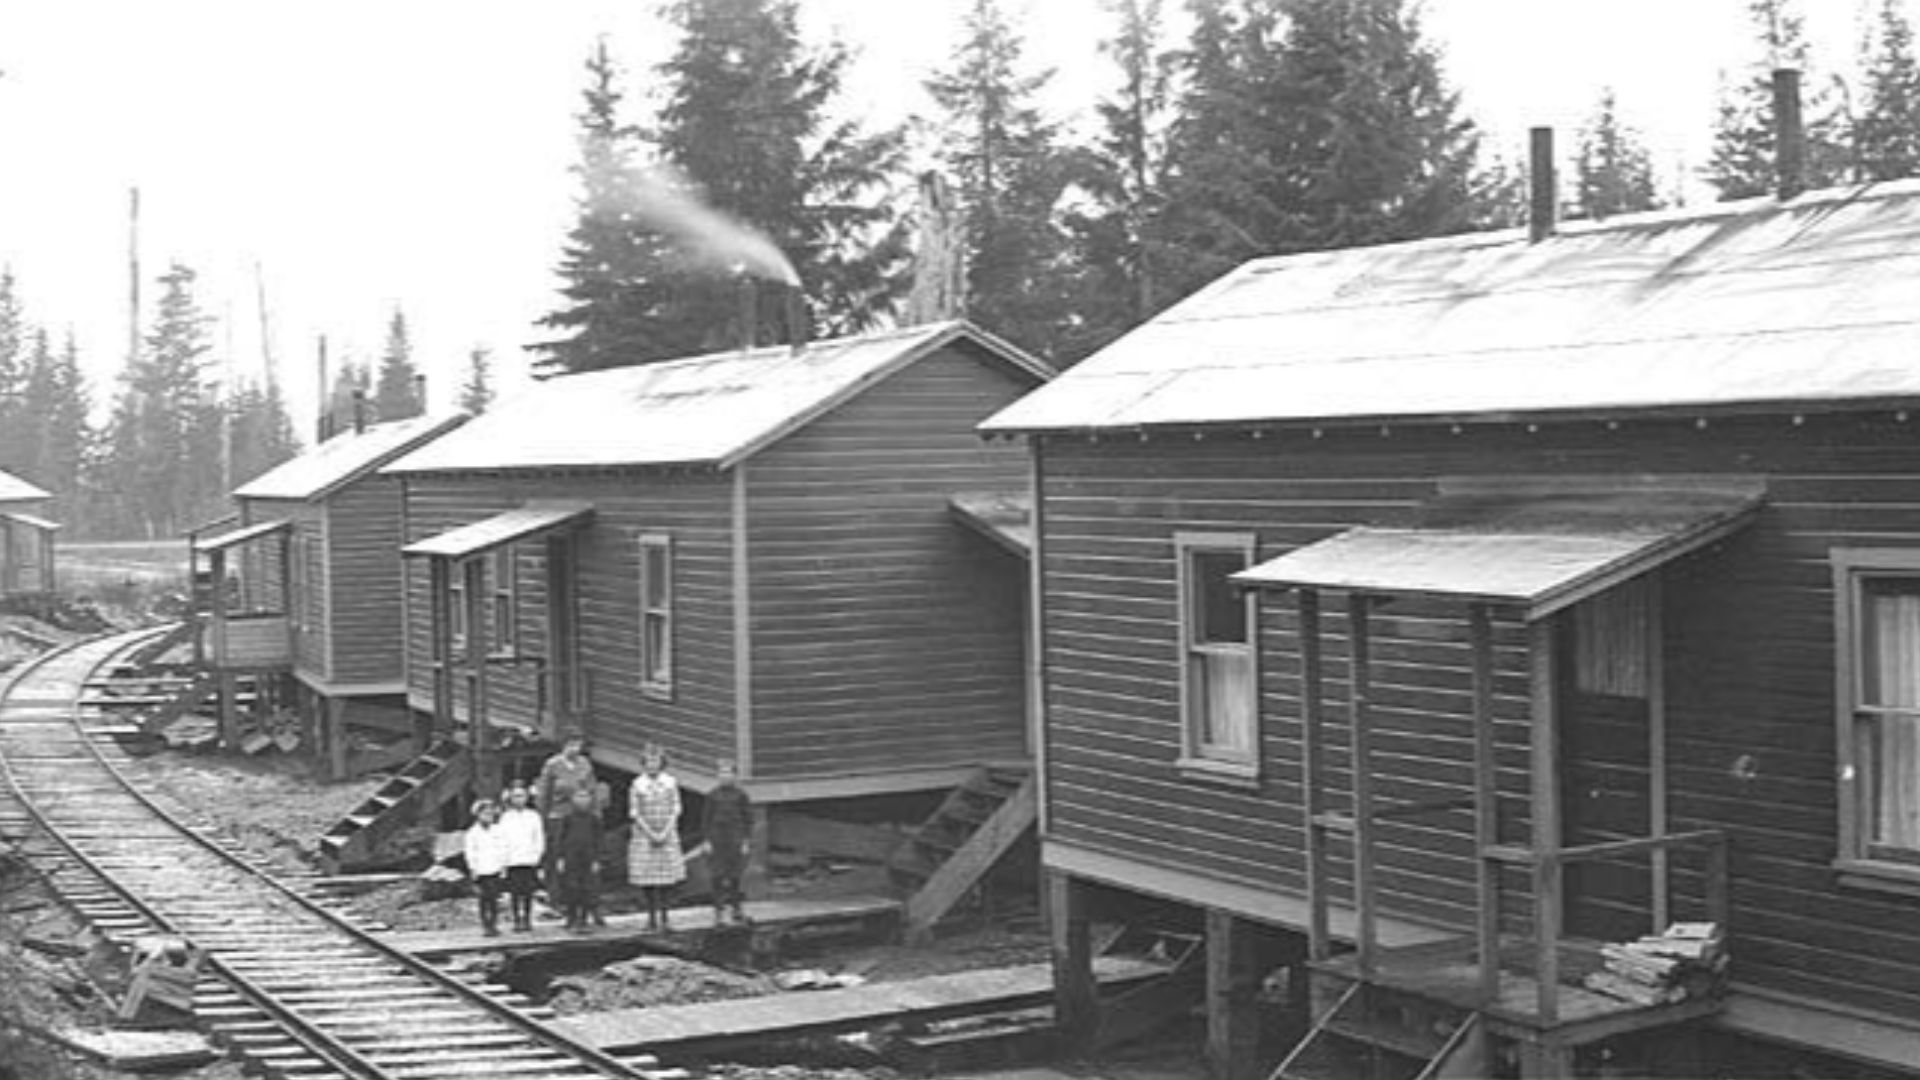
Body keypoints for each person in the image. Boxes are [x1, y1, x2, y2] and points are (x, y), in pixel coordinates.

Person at [627, 743, 686, 931]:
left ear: (662, 763)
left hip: (666, 833)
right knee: (648, 878)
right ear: (644, 763)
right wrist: (650, 833)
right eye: (649, 761)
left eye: (656, 761)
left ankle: (665, 917)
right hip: (645, 835)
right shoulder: (638, 784)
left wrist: (666, 831)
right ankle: (651, 917)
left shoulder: (670, 782)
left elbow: (676, 808)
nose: (652, 765)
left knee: (666, 879)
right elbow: (635, 811)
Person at [536, 734, 597, 885]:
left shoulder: (585, 764)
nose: (575, 749)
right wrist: (544, 816)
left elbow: (591, 789)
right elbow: (544, 793)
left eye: (578, 745)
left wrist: (592, 812)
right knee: (556, 855)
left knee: (578, 856)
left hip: (578, 817)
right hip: (558, 815)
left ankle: (577, 895)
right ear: (563, 746)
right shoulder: (552, 765)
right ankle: (554, 892)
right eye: (571, 745)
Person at [703, 758, 752, 925]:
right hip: (717, 839)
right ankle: (718, 910)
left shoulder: (741, 795)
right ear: (717, 776)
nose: (725, 776)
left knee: (734, 875)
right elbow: (706, 819)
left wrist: (746, 841)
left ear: (734, 776)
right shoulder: (712, 795)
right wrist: (707, 840)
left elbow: (748, 819)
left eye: (729, 773)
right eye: (722, 773)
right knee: (717, 875)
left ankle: (736, 908)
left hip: (735, 838)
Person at [553, 787, 604, 932]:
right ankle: (571, 917)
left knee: (587, 888)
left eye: (585, 796)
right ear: (573, 799)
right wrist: (560, 857)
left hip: (589, 858)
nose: (582, 800)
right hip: (571, 858)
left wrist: (597, 859)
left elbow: (599, 840)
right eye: (579, 797)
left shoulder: (594, 819)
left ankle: (584, 917)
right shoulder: (567, 818)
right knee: (571, 888)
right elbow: (561, 838)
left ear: (590, 799)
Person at [497, 782, 545, 932]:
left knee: (528, 891)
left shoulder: (533, 816)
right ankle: (517, 919)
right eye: (516, 796)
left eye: (522, 796)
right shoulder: (505, 818)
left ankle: (528, 919)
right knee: (515, 892)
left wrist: (536, 856)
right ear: (510, 798)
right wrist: (503, 860)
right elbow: (501, 839)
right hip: (512, 860)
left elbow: (539, 838)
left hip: (529, 859)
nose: (519, 799)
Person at [462, 798, 507, 937]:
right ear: (478, 815)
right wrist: (473, 868)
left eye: (491, 814)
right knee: (483, 898)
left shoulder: (498, 830)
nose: (488, 817)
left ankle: (493, 924)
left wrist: (503, 865)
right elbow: (470, 852)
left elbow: (503, 848)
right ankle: (485, 925)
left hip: (495, 867)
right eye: (485, 814)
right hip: (481, 869)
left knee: (494, 898)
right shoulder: (472, 833)